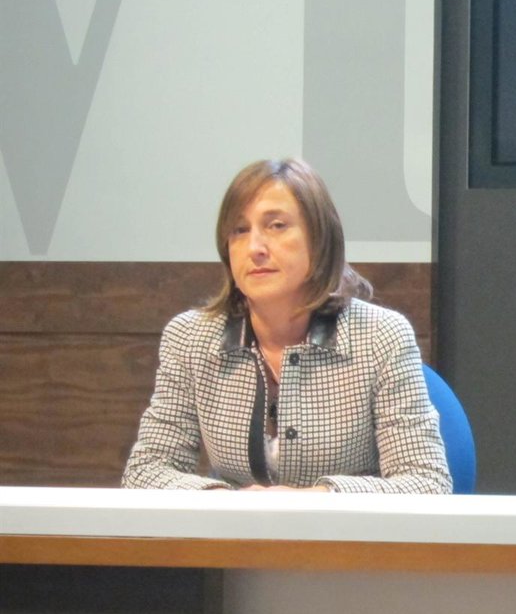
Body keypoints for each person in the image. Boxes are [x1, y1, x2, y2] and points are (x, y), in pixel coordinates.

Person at [122, 158, 451, 493]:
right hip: (234, 524)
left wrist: (316, 499)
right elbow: (145, 472)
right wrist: (226, 500)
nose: (255, 248)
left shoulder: (382, 336)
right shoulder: (190, 338)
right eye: (240, 230)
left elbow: (426, 481)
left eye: (276, 226)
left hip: (341, 526)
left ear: (319, 240)